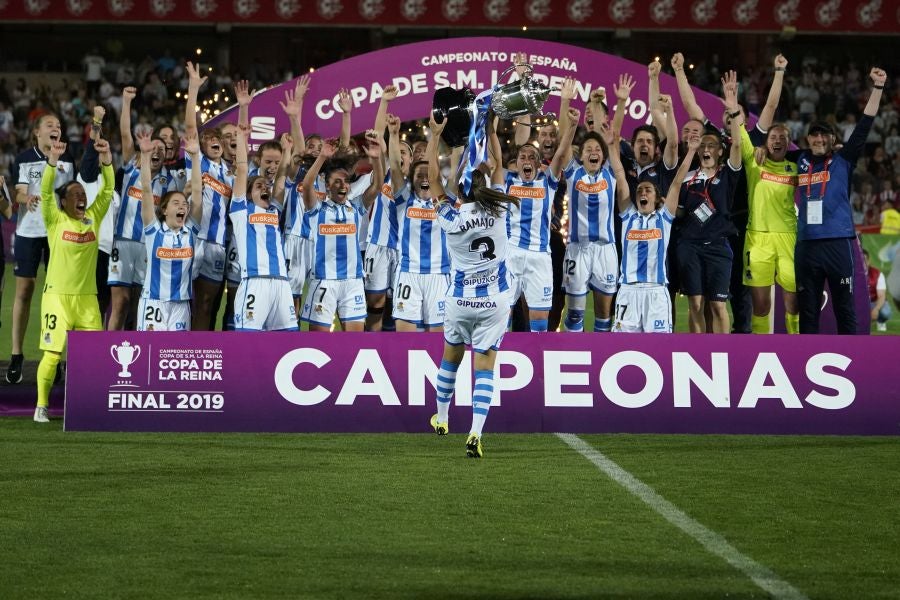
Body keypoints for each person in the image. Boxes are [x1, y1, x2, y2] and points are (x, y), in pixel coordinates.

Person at [427, 114, 518, 458]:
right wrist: (493, 131)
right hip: (495, 301)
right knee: (485, 367)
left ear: (460, 189)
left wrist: (436, 136)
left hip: (460, 301)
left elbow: (433, 179)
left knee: (450, 358)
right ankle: (476, 433)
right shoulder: (498, 211)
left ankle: (442, 417)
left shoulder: (452, 217)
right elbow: (497, 167)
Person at [794, 68, 888, 334]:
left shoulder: (844, 159)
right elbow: (772, 149)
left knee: (844, 307)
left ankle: (853, 359)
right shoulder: (798, 159)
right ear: (808, 138)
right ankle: (805, 359)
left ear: (833, 139)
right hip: (807, 245)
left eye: (825, 135)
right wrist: (761, 151)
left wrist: (878, 88)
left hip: (838, 242)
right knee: (808, 309)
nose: (819, 139)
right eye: (815, 134)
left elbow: (865, 124)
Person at [34, 137, 114, 422]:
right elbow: (44, 193)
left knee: (92, 357)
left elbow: (107, 191)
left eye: (82, 192)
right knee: (53, 355)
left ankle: (87, 404)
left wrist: (106, 162)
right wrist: (52, 162)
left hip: (87, 299)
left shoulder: (92, 217)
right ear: (64, 202)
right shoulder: (55, 221)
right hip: (57, 297)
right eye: (75, 193)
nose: (81, 196)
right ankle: (42, 406)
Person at [490, 107, 578, 332]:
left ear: (538, 164)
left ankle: (537, 361)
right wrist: (490, 127)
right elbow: (496, 157)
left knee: (540, 321)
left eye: (532, 157)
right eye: (522, 157)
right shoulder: (508, 181)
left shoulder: (546, 182)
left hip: (540, 256)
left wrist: (573, 126)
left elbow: (559, 155)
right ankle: (501, 360)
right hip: (510, 254)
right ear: (517, 163)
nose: (526, 160)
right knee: (503, 316)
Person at [7, 113, 75, 385]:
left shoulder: (68, 159)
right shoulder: (24, 158)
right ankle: (16, 355)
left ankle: (56, 357)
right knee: (24, 291)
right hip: (28, 233)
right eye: (50, 125)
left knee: (58, 295)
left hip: (58, 234)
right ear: (37, 133)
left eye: (58, 126)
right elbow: (18, 193)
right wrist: (27, 197)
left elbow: (72, 193)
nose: (56, 129)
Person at [675, 71, 744, 333]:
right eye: (702, 144)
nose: (706, 149)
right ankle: (697, 351)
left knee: (717, 306)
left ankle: (722, 354)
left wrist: (734, 108)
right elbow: (679, 211)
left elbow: (737, 144)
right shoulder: (688, 177)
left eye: (711, 145)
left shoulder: (728, 173)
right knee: (695, 303)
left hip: (718, 247)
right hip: (689, 246)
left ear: (720, 151)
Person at [611, 133, 699, 332]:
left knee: (659, 348)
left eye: (648, 190)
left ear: (658, 199)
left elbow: (676, 182)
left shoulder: (663, 218)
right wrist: (611, 146)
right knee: (622, 347)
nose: (642, 192)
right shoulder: (628, 217)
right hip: (628, 290)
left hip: (657, 291)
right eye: (640, 189)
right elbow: (619, 175)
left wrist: (692, 150)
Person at [108, 86, 176, 330]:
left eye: (161, 149)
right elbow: (125, 133)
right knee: (120, 302)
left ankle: (135, 355)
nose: (156, 151)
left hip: (148, 246)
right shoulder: (132, 165)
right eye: (152, 147)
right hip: (123, 241)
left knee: (139, 304)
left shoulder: (170, 180)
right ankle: (109, 351)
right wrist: (126, 101)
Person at [300, 136, 380, 331]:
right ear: (327, 186)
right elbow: (307, 185)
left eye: (345, 181)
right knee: (318, 344)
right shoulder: (317, 209)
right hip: (323, 280)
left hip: (353, 282)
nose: (342, 185)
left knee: (355, 342)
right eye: (336, 181)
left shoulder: (357, 207)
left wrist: (377, 160)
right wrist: (321, 157)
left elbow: (377, 186)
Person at [229, 126, 298, 331]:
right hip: (254, 281)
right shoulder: (241, 210)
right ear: (248, 194)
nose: (265, 188)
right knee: (248, 339)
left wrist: (287, 150)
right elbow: (242, 170)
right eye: (259, 186)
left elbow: (281, 179)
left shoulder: (274, 211)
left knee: (287, 339)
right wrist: (242, 140)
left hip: (281, 282)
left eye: (265, 186)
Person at [136, 129, 203, 331]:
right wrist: (145, 156)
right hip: (153, 302)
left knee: (174, 357)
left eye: (184, 203)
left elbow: (198, 191)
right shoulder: (153, 231)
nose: (182, 206)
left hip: (181, 305)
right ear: (164, 210)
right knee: (149, 357)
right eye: (176, 203)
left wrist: (194, 156)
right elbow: (146, 189)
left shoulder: (190, 231)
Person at [863, 249, 890, 332]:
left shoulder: (877, 274)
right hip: (859, 302)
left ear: (868, 261)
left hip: (873, 302)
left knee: (886, 312)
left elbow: (882, 295)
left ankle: (880, 321)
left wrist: (876, 309)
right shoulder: (852, 273)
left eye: (864, 260)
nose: (862, 262)